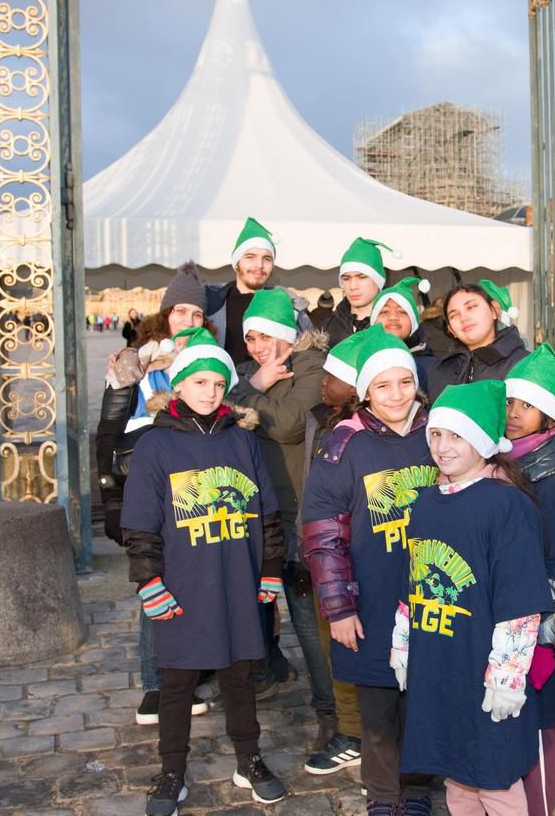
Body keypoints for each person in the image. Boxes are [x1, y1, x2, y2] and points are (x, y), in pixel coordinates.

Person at [121, 326, 289, 813]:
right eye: (200, 384)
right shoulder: (156, 446)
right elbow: (141, 525)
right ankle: (172, 770)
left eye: (219, 385)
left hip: (236, 579)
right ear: (180, 386)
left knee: (239, 674)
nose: (211, 393)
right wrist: (149, 580)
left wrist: (270, 569)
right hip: (183, 581)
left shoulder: (243, 441)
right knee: (177, 681)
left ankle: (249, 758)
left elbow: (267, 512)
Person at [393, 379, 552, 816]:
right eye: (436, 434)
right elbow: (416, 581)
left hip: (484, 668)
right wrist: (404, 644)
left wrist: (507, 675)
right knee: (456, 775)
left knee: (494, 778)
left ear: (483, 441)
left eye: (457, 436)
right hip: (438, 666)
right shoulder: (424, 503)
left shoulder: (507, 507)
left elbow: (520, 602)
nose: (442, 447)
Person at [302, 326, 438, 816]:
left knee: (423, 699)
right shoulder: (345, 445)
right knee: (379, 705)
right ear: (365, 392)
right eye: (383, 385)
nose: (396, 394)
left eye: (405, 382)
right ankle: (383, 794)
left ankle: (418, 787)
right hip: (374, 596)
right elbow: (323, 536)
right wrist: (338, 607)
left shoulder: (438, 432)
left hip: (430, 592)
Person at [95, 263, 220, 727]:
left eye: (195, 313)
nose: (187, 321)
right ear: (165, 315)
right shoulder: (139, 362)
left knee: (198, 584)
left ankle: (195, 672)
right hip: (153, 487)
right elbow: (111, 434)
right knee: (157, 584)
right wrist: (112, 500)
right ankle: (156, 683)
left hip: (198, 491)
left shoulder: (209, 361)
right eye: (179, 311)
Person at [228, 288, 334, 739]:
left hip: (304, 512)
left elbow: (289, 423)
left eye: (262, 337)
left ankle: (333, 714)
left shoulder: (312, 368)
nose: (254, 347)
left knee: (312, 625)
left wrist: (249, 397)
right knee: (279, 613)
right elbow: (220, 408)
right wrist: (254, 385)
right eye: (249, 339)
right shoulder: (254, 373)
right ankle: (268, 675)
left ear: (286, 335)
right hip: (265, 511)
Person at [503, 345, 555, 816]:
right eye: (509, 403)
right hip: (507, 614)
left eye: (526, 405)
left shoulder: (554, 474)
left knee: (538, 728)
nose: (512, 414)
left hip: (538, 623)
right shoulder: (506, 460)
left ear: (550, 415)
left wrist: (544, 634)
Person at [302, 331, 369, 776]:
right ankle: (352, 729)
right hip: (330, 555)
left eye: (334, 376)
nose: (323, 383)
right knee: (337, 647)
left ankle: (366, 733)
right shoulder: (324, 423)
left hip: (364, 555)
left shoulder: (357, 437)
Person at [204, 217, 312, 363]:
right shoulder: (210, 304)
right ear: (236, 263)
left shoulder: (290, 306)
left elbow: (307, 356)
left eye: (267, 259)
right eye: (250, 257)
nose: (259, 265)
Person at [426, 280, 529, 401]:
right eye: (454, 315)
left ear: (494, 310)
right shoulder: (438, 371)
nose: (463, 318)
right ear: (451, 330)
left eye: (471, 307)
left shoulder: (524, 364)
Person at [369, 277, 437, 391]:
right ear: (373, 320)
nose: (393, 317)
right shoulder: (360, 361)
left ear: (413, 322)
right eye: (384, 312)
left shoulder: (432, 368)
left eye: (402, 312)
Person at [325, 237, 393, 344]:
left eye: (362, 277)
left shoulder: (395, 326)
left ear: (378, 280)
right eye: (346, 278)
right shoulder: (325, 330)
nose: (352, 286)